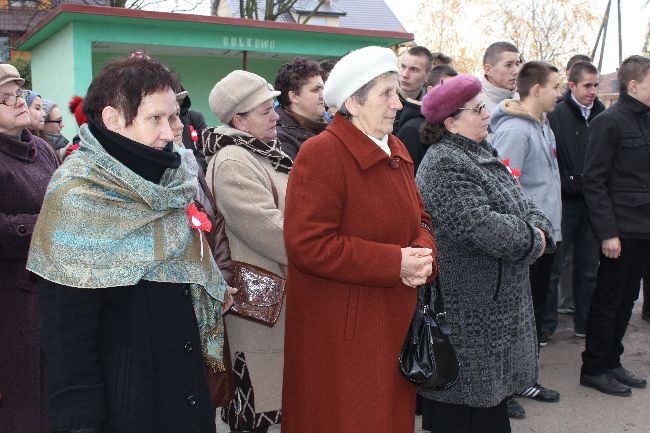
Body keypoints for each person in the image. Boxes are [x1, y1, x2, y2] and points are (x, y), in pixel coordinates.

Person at [28, 55, 230, 433]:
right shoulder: (78, 197)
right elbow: (67, 337)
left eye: (173, 118)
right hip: (125, 407)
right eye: (156, 118)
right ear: (112, 119)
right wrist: (82, 424)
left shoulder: (170, 183)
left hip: (186, 396)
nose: (171, 132)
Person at [281, 46, 436, 433]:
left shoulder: (396, 148)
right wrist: (394, 262)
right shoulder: (322, 153)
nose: (397, 104)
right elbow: (308, 245)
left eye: (396, 92)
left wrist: (424, 253)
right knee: (351, 419)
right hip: (343, 331)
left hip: (393, 317)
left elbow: (421, 219)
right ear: (353, 101)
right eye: (386, 93)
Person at [415, 74, 553, 433]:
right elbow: (481, 226)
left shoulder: (481, 152)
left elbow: (524, 205)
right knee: (463, 407)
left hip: (495, 303)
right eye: (477, 109)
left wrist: (536, 228)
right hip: (469, 309)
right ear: (450, 122)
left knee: (489, 405)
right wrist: (535, 239)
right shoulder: (444, 162)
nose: (486, 114)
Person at [203, 70, 289, 433]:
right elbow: (272, 232)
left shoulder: (262, 154)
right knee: (253, 408)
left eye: (273, 107)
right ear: (239, 120)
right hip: (256, 308)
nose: (275, 116)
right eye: (265, 110)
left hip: (273, 302)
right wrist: (325, 246)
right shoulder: (234, 162)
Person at [490, 61, 562, 413]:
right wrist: (524, 235)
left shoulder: (543, 126)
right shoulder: (515, 132)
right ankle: (500, 392)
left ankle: (524, 380)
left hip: (545, 237)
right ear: (537, 90)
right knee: (511, 318)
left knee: (531, 314)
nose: (559, 93)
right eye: (555, 87)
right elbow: (504, 189)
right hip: (525, 242)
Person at [580, 55, 650, 396]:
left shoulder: (646, 120)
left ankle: (611, 360)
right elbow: (594, 180)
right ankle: (593, 367)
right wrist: (608, 232)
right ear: (634, 85)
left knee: (626, 299)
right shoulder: (610, 121)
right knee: (608, 300)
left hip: (643, 227)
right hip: (619, 230)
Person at [0, 63, 58, 433]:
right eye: (4, 99)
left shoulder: (42, 148)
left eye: (18, 94)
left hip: (56, 289)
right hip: (13, 302)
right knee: (26, 402)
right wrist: (45, 226)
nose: (18, 101)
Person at [541, 61, 604, 344]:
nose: (593, 91)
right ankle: (546, 326)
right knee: (553, 268)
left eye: (596, 85)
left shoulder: (603, 115)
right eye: (587, 85)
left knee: (589, 267)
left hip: (593, 203)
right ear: (572, 86)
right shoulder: (556, 115)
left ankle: (585, 322)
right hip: (564, 203)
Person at [396, 64, 458, 173]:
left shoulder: (447, 123)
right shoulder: (412, 130)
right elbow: (407, 177)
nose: (454, 95)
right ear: (431, 90)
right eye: (448, 89)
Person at [274, 58, 328, 161]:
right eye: (316, 90)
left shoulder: (331, 128)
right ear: (294, 97)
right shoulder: (279, 139)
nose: (323, 95)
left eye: (323, 88)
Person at [395, 45, 434, 132]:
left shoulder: (430, 110)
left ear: (427, 76)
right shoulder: (381, 98)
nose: (405, 75)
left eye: (414, 70)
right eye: (403, 66)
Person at [481, 42, 521, 114]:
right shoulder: (473, 105)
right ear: (488, 69)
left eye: (517, 64)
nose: (516, 71)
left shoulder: (524, 101)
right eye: (508, 65)